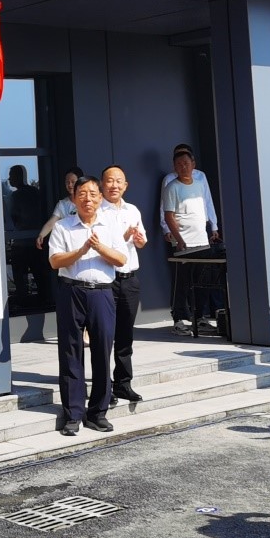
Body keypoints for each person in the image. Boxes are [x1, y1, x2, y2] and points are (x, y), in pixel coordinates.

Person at [48, 175, 126, 436]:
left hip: (102, 294)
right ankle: (73, 414)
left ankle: (98, 413)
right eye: (82, 194)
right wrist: (81, 251)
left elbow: (121, 259)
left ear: (100, 198)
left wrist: (99, 247)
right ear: (74, 198)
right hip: (71, 291)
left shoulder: (110, 224)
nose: (88, 199)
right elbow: (55, 261)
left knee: (102, 351)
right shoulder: (63, 227)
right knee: (71, 352)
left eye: (93, 194)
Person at [162, 144, 223, 334]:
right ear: (174, 166)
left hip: (202, 240)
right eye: (179, 164)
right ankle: (179, 319)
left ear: (193, 164)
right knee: (181, 282)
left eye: (186, 163)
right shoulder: (171, 186)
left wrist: (213, 226)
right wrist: (177, 238)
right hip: (183, 243)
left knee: (202, 281)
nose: (183, 167)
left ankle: (200, 317)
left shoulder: (199, 182)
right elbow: (168, 215)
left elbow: (208, 204)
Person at [100, 165, 148, 402]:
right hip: (107, 281)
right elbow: (100, 246)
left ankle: (123, 383)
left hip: (130, 279)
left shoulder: (133, 210)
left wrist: (138, 240)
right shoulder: (97, 212)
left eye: (119, 181)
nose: (114, 185)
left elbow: (142, 242)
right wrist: (124, 237)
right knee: (104, 335)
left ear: (126, 185)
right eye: (110, 181)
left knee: (125, 335)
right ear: (102, 184)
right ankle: (103, 387)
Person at [158, 143, 218, 243]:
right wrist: (166, 229)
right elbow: (164, 207)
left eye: (185, 161)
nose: (183, 165)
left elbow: (207, 200)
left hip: (201, 228)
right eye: (179, 159)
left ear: (192, 161)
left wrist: (214, 225)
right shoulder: (169, 180)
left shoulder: (200, 177)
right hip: (180, 230)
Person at [7, 163, 47, 298]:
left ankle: (23, 299)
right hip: (36, 240)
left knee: (20, 276)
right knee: (40, 274)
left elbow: (13, 217)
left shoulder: (16, 195)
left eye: (11, 175)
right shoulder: (35, 192)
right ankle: (44, 298)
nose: (9, 179)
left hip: (22, 241)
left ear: (19, 176)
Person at [35, 166, 84, 250]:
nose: (70, 185)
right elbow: (51, 222)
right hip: (70, 246)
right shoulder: (62, 204)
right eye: (67, 182)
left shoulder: (89, 201)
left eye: (73, 182)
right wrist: (41, 235)